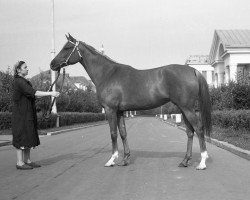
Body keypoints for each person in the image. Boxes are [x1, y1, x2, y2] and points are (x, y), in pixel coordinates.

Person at [12, 61, 60, 170]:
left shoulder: (24, 81)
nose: (27, 69)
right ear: (18, 70)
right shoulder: (19, 81)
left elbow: (33, 95)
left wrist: (46, 93)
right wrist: (51, 93)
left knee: (28, 135)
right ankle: (19, 163)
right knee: (21, 136)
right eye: (25, 67)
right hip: (21, 115)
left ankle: (27, 161)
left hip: (26, 114)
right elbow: (34, 93)